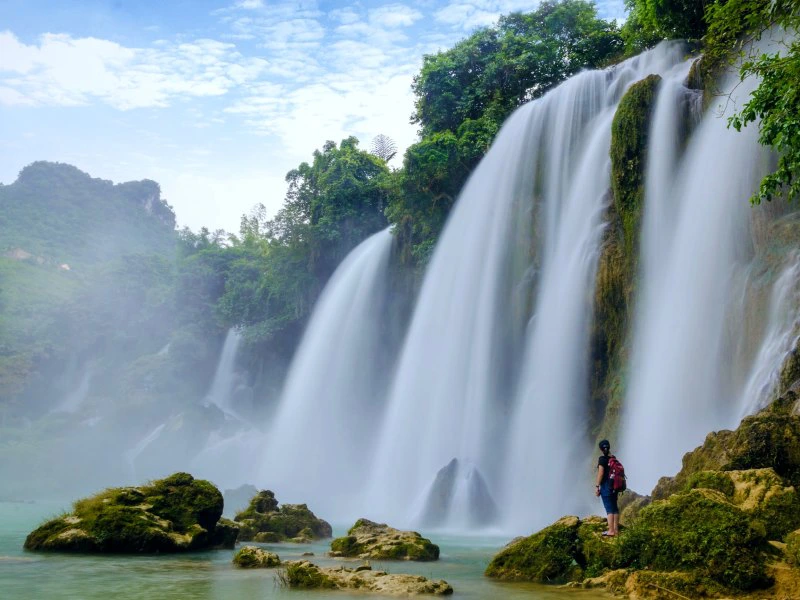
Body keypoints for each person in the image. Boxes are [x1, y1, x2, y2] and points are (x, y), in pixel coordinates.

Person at [595, 439, 619, 536]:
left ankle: (611, 531)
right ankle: (616, 530)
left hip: (606, 486)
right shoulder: (613, 458)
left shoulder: (602, 459)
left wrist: (597, 486)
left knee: (609, 508)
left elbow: (601, 473)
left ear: (601, 449)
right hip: (615, 486)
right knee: (615, 508)